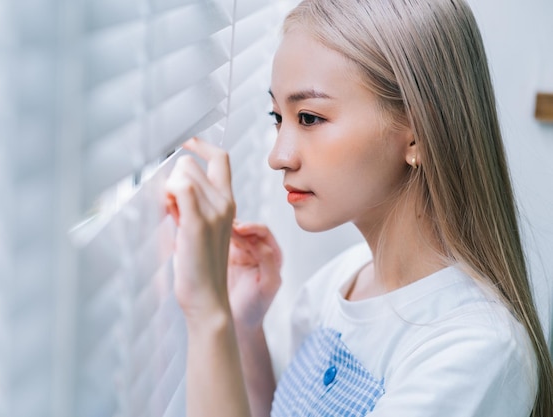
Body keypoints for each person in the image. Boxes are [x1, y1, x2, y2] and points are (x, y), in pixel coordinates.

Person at [164, 0, 553, 416]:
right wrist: (242, 327)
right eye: (277, 116)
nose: (278, 156)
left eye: (309, 118)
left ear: (416, 134)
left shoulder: (476, 353)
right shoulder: (338, 282)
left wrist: (207, 313)